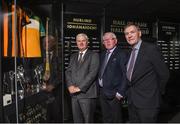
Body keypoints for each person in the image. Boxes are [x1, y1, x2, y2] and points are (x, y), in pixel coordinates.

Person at [124, 23, 170, 122]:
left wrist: (156, 94)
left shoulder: (151, 49)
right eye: (126, 33)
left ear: (139, 33)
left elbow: (164, 74)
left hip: (148, 103)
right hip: (132, 102)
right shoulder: (129, 52)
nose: (129, 35)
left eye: (132, 32)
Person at [65, 33, 100, 123]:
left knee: (88, 121)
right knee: (77, 121)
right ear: (76, 43)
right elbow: (68, 72)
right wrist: (70, 86)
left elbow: (92, 74)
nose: (81, 43)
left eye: (83, 41)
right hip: (74, 95)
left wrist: (79, 88)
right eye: (79, 41)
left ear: (87, 42)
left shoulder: (94, 55)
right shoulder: (73, 56)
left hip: (87, 95)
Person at [98, 32, 127, 122]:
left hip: (115, 94)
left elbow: (125, 74)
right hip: (102, 92)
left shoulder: (121, 54)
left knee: (116, 119)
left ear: (115, 41)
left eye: (109, 39)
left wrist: (120, 92)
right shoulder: (102, 54)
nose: (107, 42)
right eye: (105, 40)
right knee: (106, 118)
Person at [41, 35, 62, 122]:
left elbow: (62, 73)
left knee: (56, 115)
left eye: (48, 42)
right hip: (42, 91)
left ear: (54, 43)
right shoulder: (39, 54)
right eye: (44, 42)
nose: (45, 44)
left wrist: (53, 85)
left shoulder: (59, 54)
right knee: (44, 115)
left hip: (56, 90)